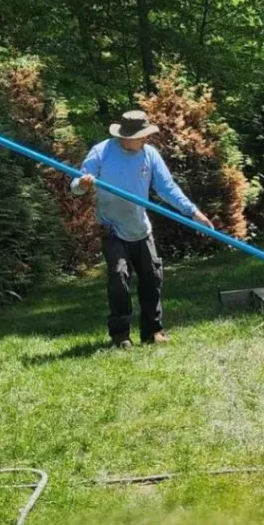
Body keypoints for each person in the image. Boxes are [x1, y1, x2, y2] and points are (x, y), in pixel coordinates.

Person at [71, 110, 214, 348]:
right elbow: (76, 185)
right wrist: (83, 184)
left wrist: (193, 212)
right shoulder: (102, 152)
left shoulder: (150, 155)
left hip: (140, 228)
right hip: (112, 228)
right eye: (142, 136)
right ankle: (120, 335)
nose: (146, 140)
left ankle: (153, 331)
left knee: (152, 277)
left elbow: (168, 189)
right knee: (119, 278)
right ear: (125, 137)